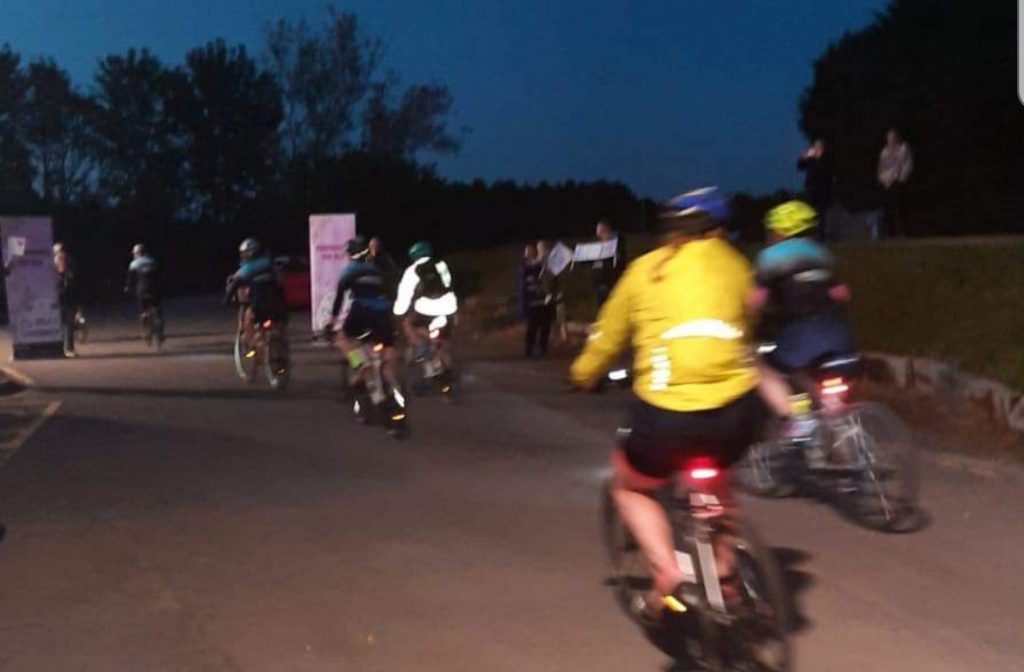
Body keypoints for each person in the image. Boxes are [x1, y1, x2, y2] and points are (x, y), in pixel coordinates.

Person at [570, 187, 765, 621]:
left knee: (629, 485)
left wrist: (583, 375)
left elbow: (606, 337)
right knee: (717, 479)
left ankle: (668, 569)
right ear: (719, 229)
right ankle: (726, 576)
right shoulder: (738, 267)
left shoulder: (645, 271)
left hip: (667, 417)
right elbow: (751, 319)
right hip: (737, 410)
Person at [748, 201, 854, 431]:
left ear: (780, 231)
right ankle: (837, 424)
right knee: (808, 373)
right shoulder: (823, 254)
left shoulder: (770, 256)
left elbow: (754, 302)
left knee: (765, 370)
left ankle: (800, 421)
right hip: (839, 334)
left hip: (802, 334)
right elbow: (842, 294)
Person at [327, 236, 397, 386]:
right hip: (383, 311)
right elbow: (390, 291)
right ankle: (391, 380)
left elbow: (339, 297)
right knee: (388, 345)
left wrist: (332, 320)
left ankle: (360, 365)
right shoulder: (376, 269)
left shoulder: (350, 270)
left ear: (349, 254)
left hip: (362, 310)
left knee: (342, 338)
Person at [393, 241, 457, 371]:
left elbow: (404, 296)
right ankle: (448, 366)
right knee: (444, 337)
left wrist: (398, 313)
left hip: (427, 309)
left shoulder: (411, 271)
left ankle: (421, 345)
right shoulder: (441, 265)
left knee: (409, 324)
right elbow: (448, 283)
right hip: (449, 307)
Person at [223, 238, 287, 354]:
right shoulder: (270, 263)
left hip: (260, 306)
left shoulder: (249, 268)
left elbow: (235, 283)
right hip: (279, 306)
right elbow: (281, 283)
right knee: (279, 325)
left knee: (248, 319)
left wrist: (226, 300)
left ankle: (252, 347)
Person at [518, 243, 556, 357]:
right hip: (532, 302)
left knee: (545, 326)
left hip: (544, 301)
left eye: (531, 251)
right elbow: (524, 283)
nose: (529, 253)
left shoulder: (543, 265)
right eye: (527, 251)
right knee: (532, 328)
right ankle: (528, 350)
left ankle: (543, 348)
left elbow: (551, 279)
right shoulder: (524, 267)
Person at [124, 244, 164, 345]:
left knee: (143, 310)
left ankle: (145, 327)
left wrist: (128, 287)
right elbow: (160, 276)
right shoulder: (153, 261)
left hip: (142, 290)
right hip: (155, 289)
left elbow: (130, 280)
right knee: (158, 309)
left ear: (137, 253)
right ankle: (160, 331)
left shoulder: (134, 264)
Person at [877, 128, 914, 237]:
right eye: (889, 138)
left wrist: (901, 179)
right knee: (887, 211)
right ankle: (889, 233)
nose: (890, 140)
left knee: (900, 210)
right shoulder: (885, 152)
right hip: (886, 184)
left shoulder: (903, 149)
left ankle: (902, 232)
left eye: (892, 137)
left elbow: (908, 165)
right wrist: (883, 180)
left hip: (898, 184)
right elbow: (881, 168)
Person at [796, 138, 834, 239]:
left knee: (821, 214)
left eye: (818, 145)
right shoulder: (810, 158)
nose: (816, 147)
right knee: (808, 212)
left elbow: (828, 172)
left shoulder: (827, 158)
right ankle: (809, 235)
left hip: (823, 189)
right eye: (815, 145)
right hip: (810, 189)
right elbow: (800, 166)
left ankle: (821, 236)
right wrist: (804, 157)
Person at [591, 220, 626, 313]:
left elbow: (619, 264)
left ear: (607, 232)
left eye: (601, 233)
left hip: (611, 286)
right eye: (598, 234)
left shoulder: (617, 246)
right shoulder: (599, 246)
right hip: (599, 287)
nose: (599, 236)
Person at [52, 242, 79, 357]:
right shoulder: (52, 264)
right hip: (58, 297)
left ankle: (68, 349)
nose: (60, 256)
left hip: (67, 297)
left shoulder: (70, 263)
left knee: (68, 325)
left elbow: (75, 280)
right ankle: (62, 349)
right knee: (62, 325)